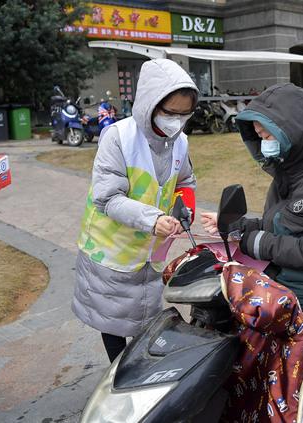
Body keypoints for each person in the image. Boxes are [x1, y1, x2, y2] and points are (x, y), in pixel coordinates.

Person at [201, 83, 303, 422]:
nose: (264, 141)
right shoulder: (285, 175)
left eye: (268, 133)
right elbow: (274, 225)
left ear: (293, 129)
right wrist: (234, 227)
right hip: (279, 297)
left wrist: (254, 241)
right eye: (259, 135)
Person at [72, 58, 199, 363]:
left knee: (145, 314)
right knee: (112, 319)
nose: (176, 121)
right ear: (149, 104)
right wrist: (153, 219)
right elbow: (108, 198)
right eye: (170, 113)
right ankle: (117, 372)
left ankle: (139, 368)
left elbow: (186, 181)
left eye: (184, 115)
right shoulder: (118, 137)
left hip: (150, 249)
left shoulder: (179, 141)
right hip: (111, 249)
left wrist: (185, 208)